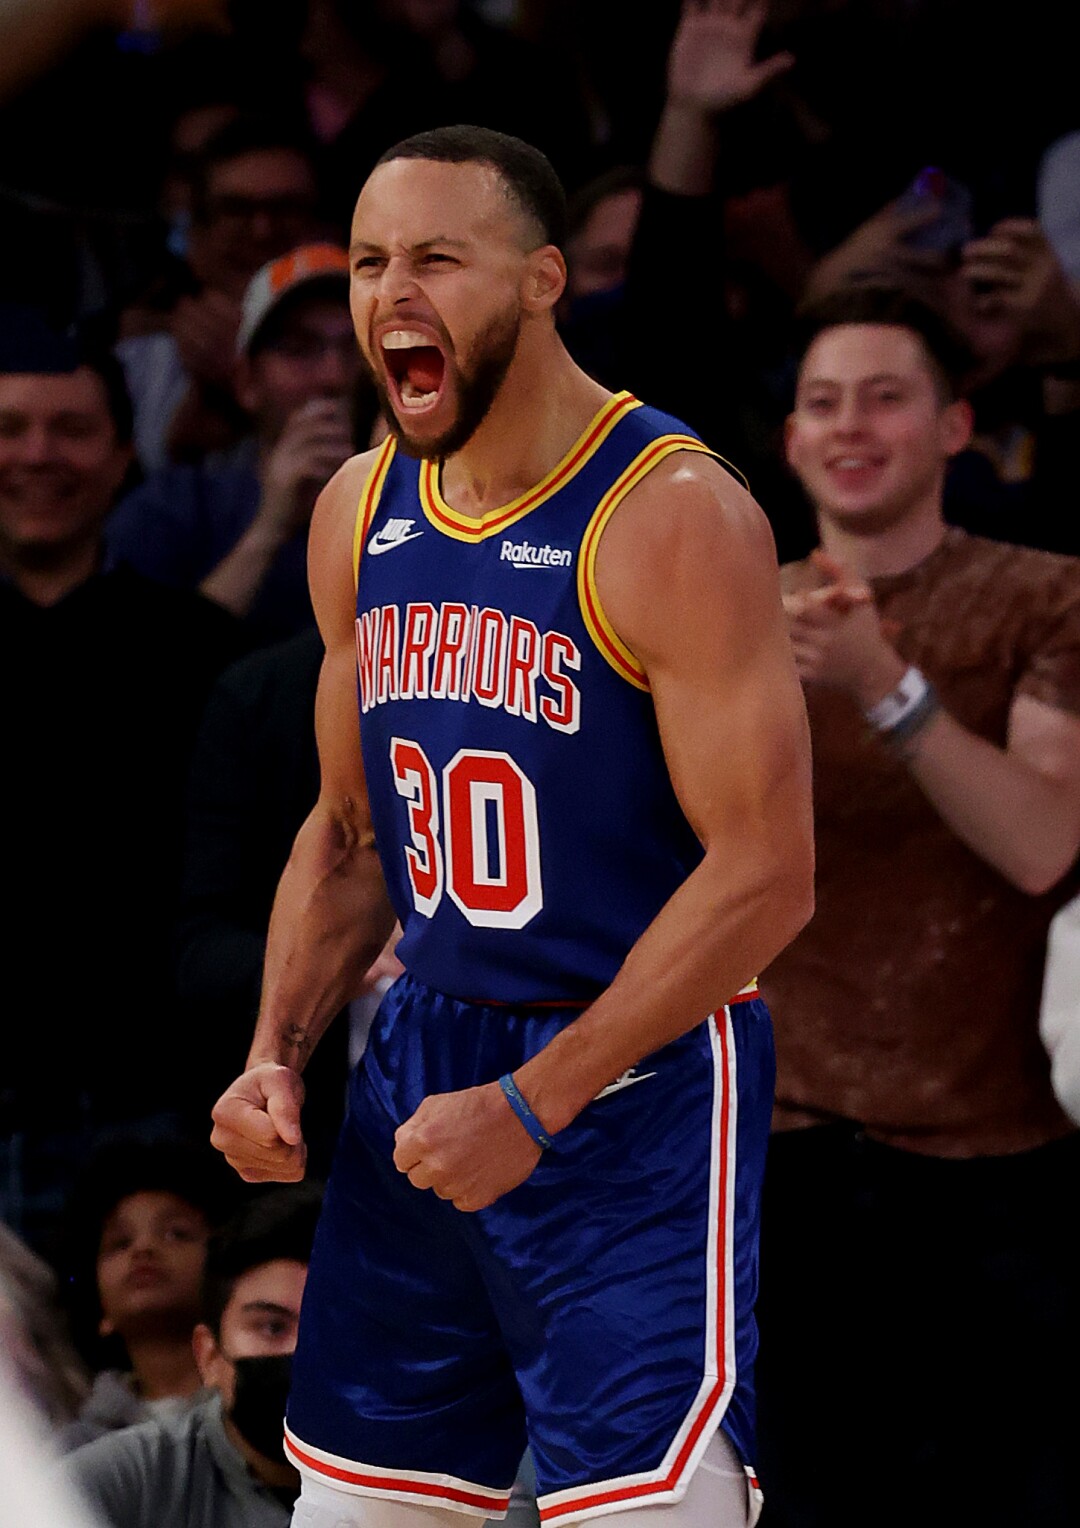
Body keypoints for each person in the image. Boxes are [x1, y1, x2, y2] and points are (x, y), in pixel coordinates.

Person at [210, 123, 814, 1528]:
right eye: (368, 262)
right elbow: (349, 835)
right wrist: (273, 1055)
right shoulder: (359, 509)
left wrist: (539, 1104)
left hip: (633, 1075)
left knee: (645, 1511)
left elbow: (767, 877)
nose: (389, 296)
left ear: (544, 279)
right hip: (429, 1044)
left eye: (437, 259)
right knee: (362, 1507)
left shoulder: (672, 514)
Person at [756, 284, 1080, 1528]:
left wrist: (886, 686)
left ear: (956, 427)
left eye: (887, 396)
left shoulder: (1046, 597)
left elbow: (1046, 843)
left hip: (999, 1168)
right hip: (776, 1165)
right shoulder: (723, 615)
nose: (853, 425)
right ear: (788, 439)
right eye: (824, 402)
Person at [0, 307, 242, 1268]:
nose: (38, 455)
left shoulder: (197, 651)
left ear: (119, 455)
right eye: (11, 429)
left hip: (157, 1110)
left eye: (70, 429)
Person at [107, 241, 373, 645]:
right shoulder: (176, 507)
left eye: (353, 348)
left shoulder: (420, 503)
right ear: (247, 382)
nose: (333, 377)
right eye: (300, 349)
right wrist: (268, 528)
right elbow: (152, 678)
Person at [63, 1182, 322, 1528]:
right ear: (209, 1355)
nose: (299, 1351)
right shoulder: (115, 1481)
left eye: (328, 1329)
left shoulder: (415, 1472)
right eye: (272, 1328)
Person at [57, 1137, 241, 1452]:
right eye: (120, 1243)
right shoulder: (72, 1452)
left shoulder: (260, 1419)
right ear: (100, 1309)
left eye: (176, 1233)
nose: (143, 1249)